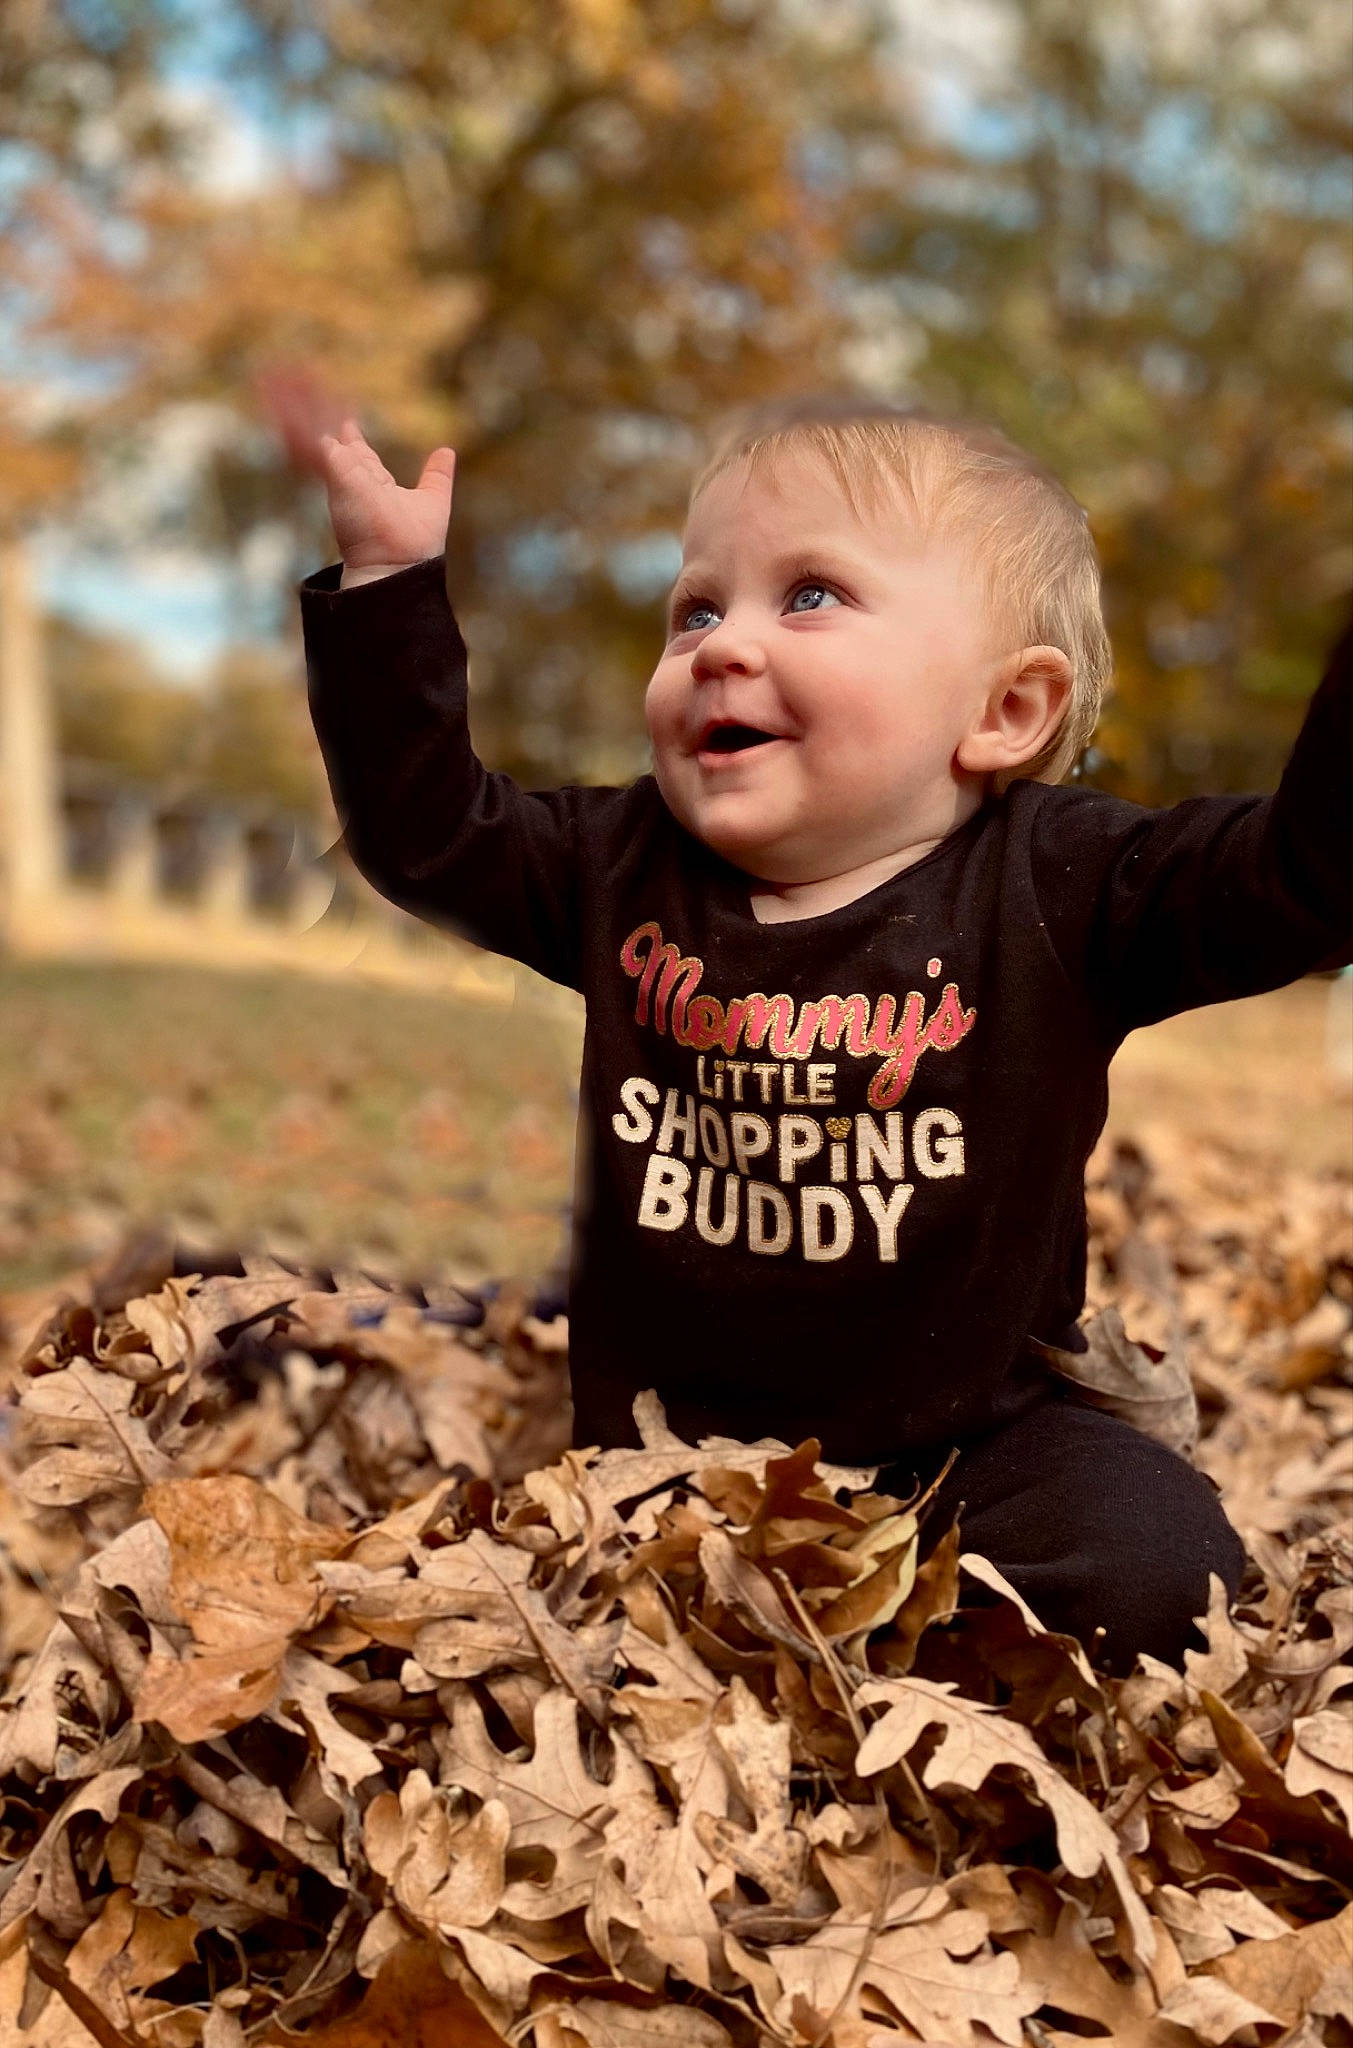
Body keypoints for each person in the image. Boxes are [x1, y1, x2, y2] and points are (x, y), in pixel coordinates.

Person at [294, 394, 1352, 1671]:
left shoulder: (1067, 886)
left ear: (1004, 712)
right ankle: (740, 1642)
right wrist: (390, 590)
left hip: (970, 1443)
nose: (722, 645)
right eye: (695, 607)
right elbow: (428, 836)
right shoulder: (618, 864)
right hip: (674, 1461)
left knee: (1157, 1565)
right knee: (545, 1606)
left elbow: (1306, 879)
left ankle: (902, 1667)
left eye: (809, 599)